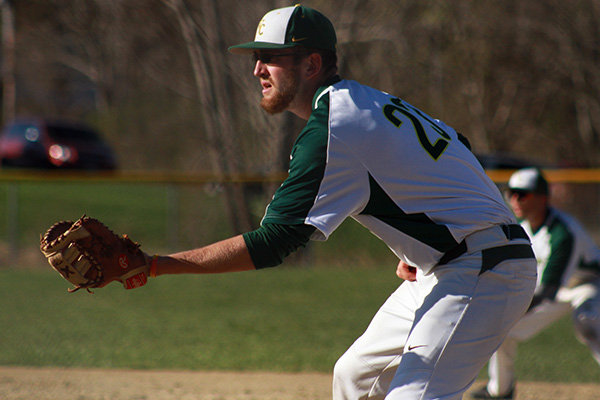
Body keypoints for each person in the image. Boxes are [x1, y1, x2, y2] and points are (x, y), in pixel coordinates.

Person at [146, 5, 537, 399]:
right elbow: (457, 146)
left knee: (416, 394)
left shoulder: (332, 127)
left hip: (483, 268)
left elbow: (276, 240)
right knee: (355, 377)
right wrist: (428, 234)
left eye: (271, 58)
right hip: (451, 261)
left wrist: (157, 266)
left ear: (312, 63)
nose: (257, 69)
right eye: (256, 58)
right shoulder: (368, 101)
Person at [471, 168, 600, 400]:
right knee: (501, 327)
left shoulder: (563, 232)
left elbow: (548, 290)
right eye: (511, 193)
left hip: (590, 285)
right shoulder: (522, 228)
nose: (515, 199)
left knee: (587, 321)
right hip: (559, 288)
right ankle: (500, 391)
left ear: (543, 197)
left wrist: (513, 308)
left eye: (523, 194)